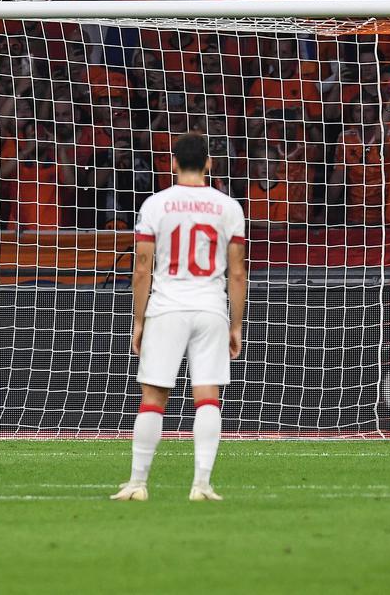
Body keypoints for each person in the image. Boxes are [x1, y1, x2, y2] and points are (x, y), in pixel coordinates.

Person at [112, 132, 246, 503]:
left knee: (153, 396)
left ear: (172, 164)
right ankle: (201, 484)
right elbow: (237, 272)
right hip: (210, 307)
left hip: (167, 306)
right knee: (207, 395)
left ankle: (138, 483)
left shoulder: (156, 205)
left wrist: (139, 321)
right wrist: (235, 324)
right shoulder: (228, 207)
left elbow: (142, 266)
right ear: (209, 164)